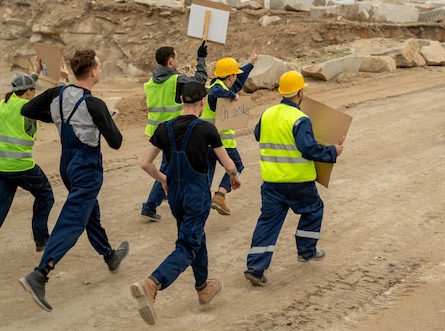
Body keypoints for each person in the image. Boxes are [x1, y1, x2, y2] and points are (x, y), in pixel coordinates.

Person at [18, 49, 128, 312]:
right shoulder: (95, 104)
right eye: (99, 67)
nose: (100, 70)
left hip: (66, 164)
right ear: (92, 72)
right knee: (74, 218)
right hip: (86, 167)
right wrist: (103, 121)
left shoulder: (57, 94)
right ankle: (40, 273)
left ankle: (110, 256)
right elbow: (116, 142)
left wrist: (57, 116)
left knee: (88, 211)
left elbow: (27, 108)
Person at [130, 81, 242, 325]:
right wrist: (234, 178)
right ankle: (152, 283)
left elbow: (145, 164)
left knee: (195, 237)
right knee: (188, 245)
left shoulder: (164, 128)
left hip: (176, 195)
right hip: (196, 195)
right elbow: (229, 164)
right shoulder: (207, 129)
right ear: (203, 102)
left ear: (181, 100)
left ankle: (203, 287)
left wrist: (164, 181)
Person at [244, 71, 344, 286]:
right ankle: (307, 251)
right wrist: (332, 151)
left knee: (268, 223)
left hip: (271, 182)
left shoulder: (268, 113)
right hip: (298, 182)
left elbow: (258, 135)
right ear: (300, 92)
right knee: (313, 210)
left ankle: (255, 268)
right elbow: (308, 149)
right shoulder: (300, 119)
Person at [0, 58, 68, 276]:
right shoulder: (28, 109)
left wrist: (35, 72)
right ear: (28, 92)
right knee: (46, 195)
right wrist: (63, 82)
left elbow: (25, 89)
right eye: (33, 90)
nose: (34, 94)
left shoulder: (6, 103)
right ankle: (41, 239)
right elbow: (57, 104)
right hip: (19, 165)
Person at [140, 42, 209, 222]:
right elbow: (199, 83)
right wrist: (201, 58)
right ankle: (150, 205)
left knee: (168, 164)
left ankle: (160, 197)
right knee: (168, 168)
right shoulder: (176, 80)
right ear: (170, 61)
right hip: (173, 130)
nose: (177, 60)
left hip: (156, 130)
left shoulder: (150, 82)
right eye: (176, 57)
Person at [201, 50, 257, 216]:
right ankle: (220, 195)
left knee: (208, 171)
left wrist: (251, 63)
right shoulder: (216, 90)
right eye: (234, 76)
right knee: (237, 166)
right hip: (222, 144)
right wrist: (233, 95)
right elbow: (220, 93)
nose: (236, 80)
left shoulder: (215, 85)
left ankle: (203, 199)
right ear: (230, 76)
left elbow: (238, 81)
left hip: (206, 143)